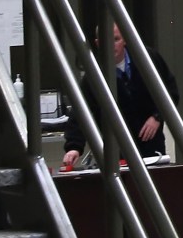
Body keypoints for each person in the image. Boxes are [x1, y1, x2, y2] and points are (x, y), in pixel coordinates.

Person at [61, 24, 163, 172]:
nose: (112, 46)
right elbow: (81, 112)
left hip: (151, 146)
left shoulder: (148, 59)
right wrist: (74, 147)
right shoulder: (94, 76)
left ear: (125, 40)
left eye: (116, 39)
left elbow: (169, 92)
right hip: (117, 151)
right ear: (97, 43)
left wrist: (157, 117)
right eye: (106, 41)